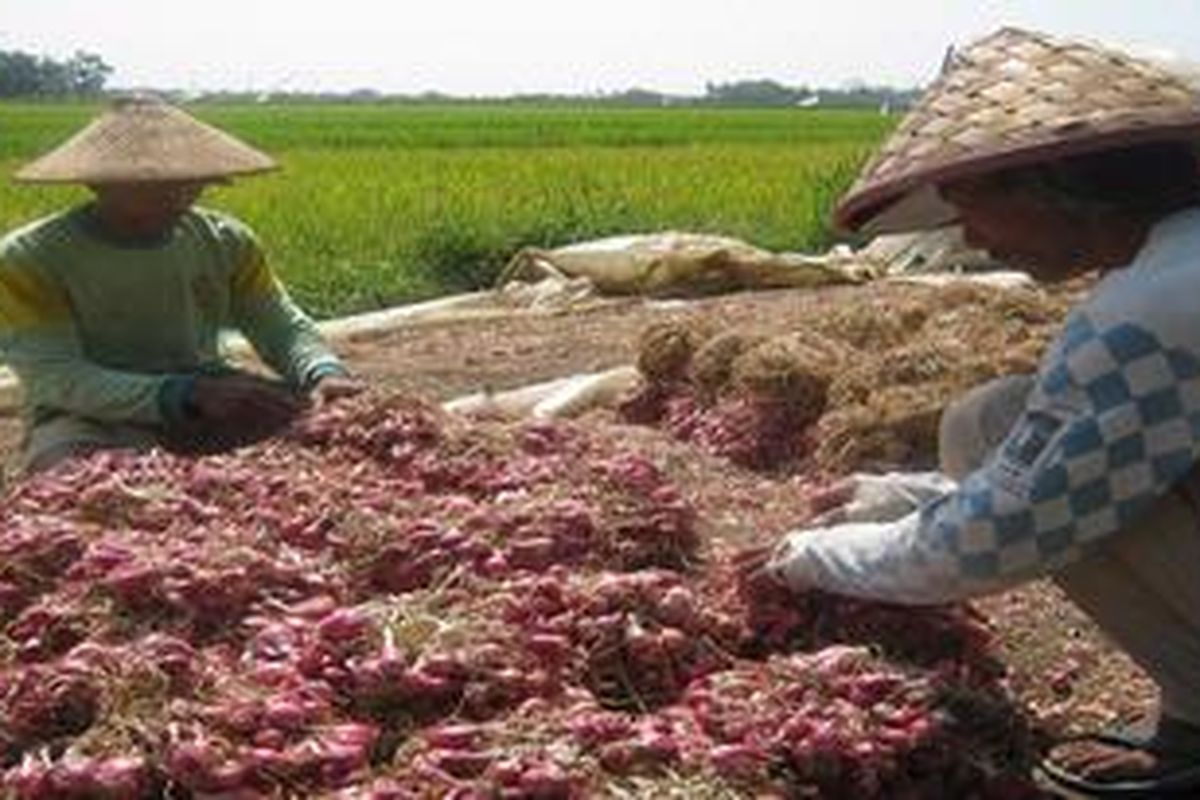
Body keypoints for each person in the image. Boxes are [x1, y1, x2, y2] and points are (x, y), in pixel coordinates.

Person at [753, 27, 1200, 797]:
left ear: (1054, 182)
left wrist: (815, 556)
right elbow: (1096, 448)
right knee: (991, 421)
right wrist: (896, 495)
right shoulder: (1176, 261)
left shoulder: (1147, 309)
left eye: (969, 205)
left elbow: (1006, 532)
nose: (969, 238)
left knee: (993, 431)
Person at [0, 96, 362, 473]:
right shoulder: (29, 258)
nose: (172, 199)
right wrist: (178, 393)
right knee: (79, 488)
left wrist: (322, 370)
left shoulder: (226, 241)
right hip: (89, 415)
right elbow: (58, 376)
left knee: (339, 446)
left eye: (187, 185)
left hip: (209, 392)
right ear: (96, 184)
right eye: (147, 188)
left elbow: (278, 324)